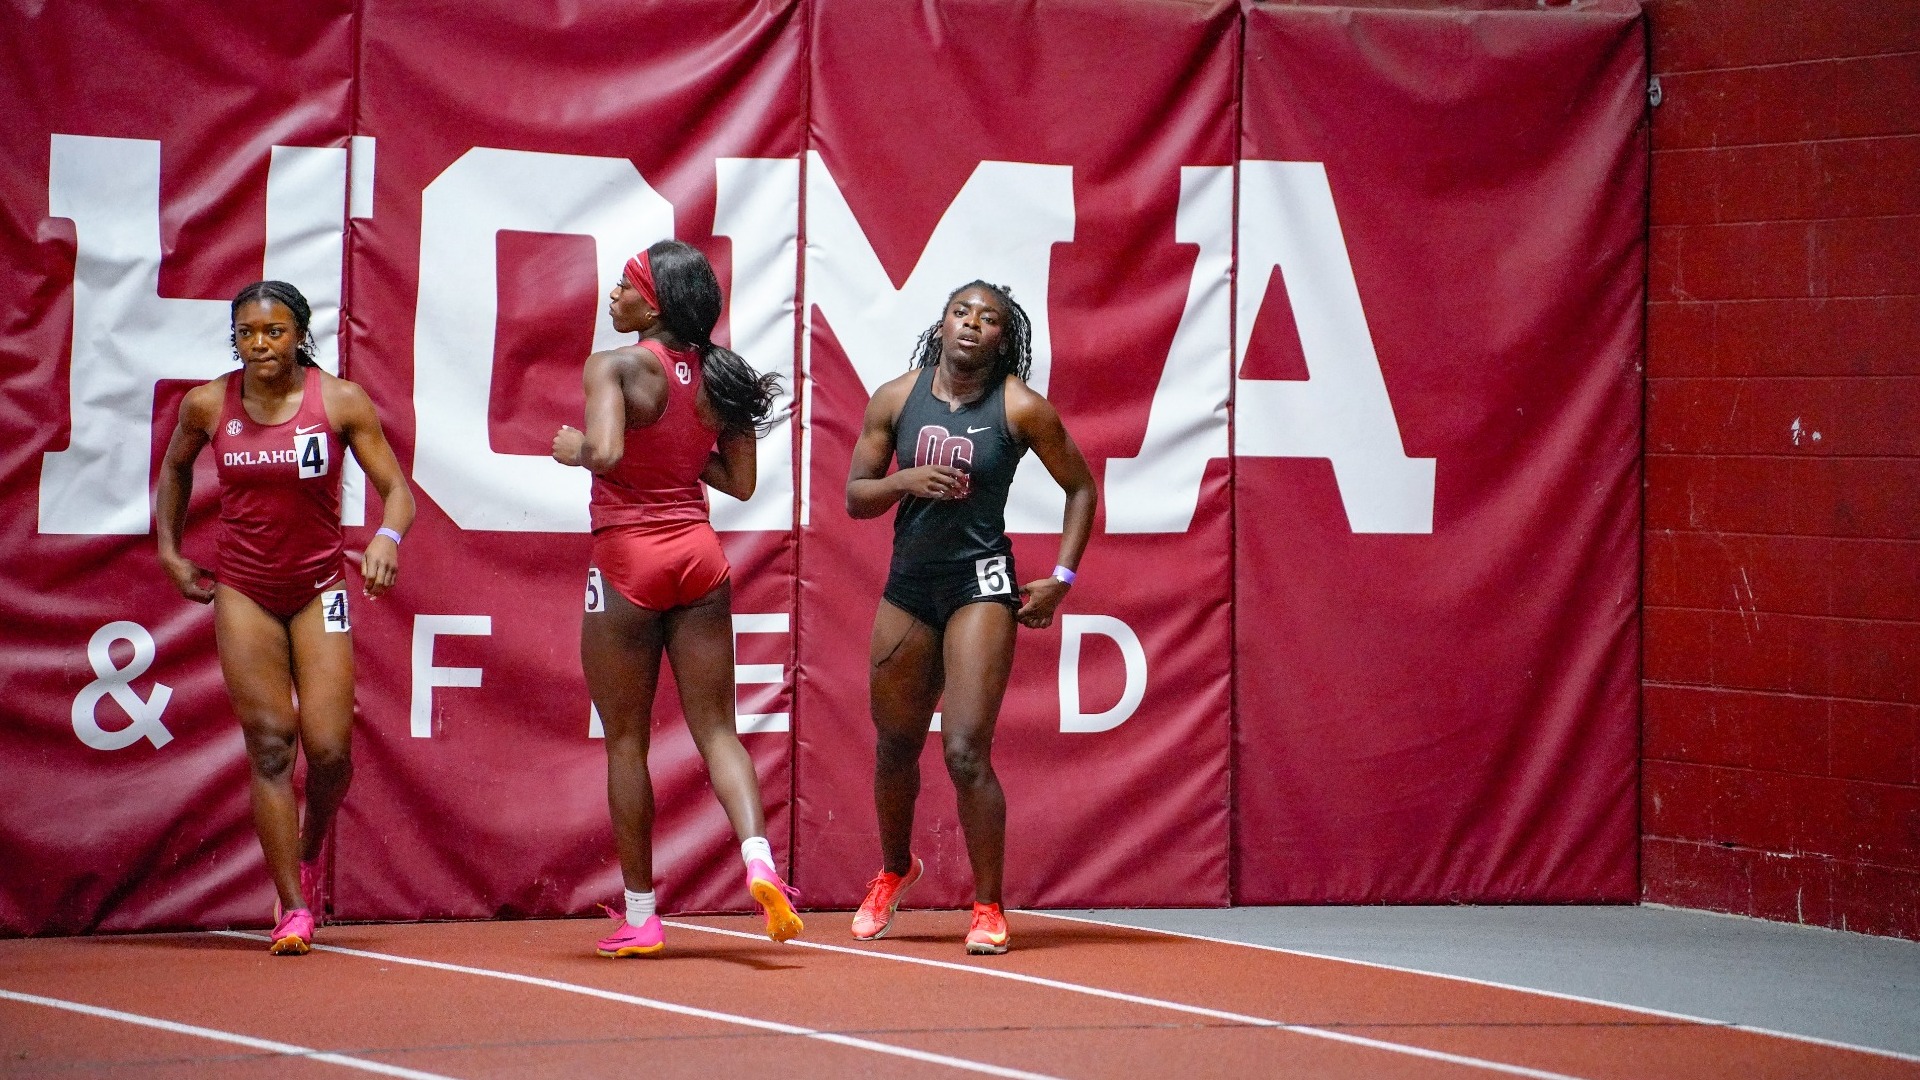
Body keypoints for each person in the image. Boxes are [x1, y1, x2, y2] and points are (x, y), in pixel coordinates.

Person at [155, 280, 415, 955]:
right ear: (234, 340)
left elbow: (396, 490)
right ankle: (293, 907)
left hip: (319, 588)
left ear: (299, 333)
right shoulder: (210, 403)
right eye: (247, 333)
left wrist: (387, 537)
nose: (260, 345)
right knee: (272, 743)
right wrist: (171, 550)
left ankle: (307, 848)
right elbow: (175, 469)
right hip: (244, 590)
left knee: (329, 750)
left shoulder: (340, 401)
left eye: (273, 332)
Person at [551, 240, 794, 957]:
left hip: (629, 560)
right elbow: (741, 482)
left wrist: (576, 450)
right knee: (718, 730)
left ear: (651, 304)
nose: (613, 297)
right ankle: (759, 861)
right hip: (700, 556)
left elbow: (608, 451)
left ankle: (641, 914)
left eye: (625, 287)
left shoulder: (615, 365)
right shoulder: (725, 375)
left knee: (627, 742)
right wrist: (687, 452)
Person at [844, 281, 1096, 955]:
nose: (971, 325)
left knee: (963, 750)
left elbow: (1081, 487)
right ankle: (896, 869)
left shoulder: (1021, 407)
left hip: (981, 583)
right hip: (908, 588)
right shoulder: (896, 396)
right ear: (943, 321)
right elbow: (856, 498)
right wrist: (904, 481)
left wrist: (1063, 580)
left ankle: (987, 906)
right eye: (961, 312)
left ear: (1002, 338)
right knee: (895, 742)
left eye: (987, 319)